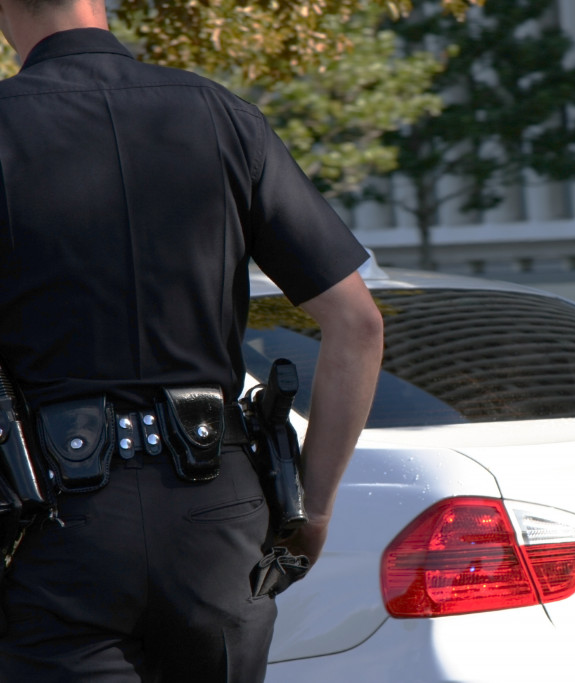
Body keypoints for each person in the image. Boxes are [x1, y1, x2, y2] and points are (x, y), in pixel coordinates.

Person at [0, 0, 384, 681]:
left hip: (55, 523)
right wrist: (314, 508)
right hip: (217, 514)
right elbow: (357, 323)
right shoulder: (222, 115)